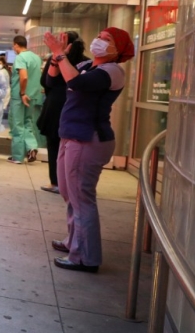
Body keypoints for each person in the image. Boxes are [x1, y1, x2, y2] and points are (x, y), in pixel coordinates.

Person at [44, 27, 134, 273]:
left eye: (108, 40)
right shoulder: (86, 65)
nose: (100, 42)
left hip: (88, 139)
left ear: (119, 50)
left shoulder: (112, 71)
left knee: (81, 197)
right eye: (100, 37)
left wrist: (58, 53)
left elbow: (77, 83)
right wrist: (56, 56)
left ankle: (85, 256)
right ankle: (74, 241)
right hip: (71, 136)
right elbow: (52, 80)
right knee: (68, 193)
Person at [36, 32, 87, 194]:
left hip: (56, 106)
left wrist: (57, 57)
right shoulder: (86, 61)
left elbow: (46, 82)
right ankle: (71, 183)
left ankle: (56, 182)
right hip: (76, 107)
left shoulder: (57, 59)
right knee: (74, 149)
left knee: (54, 146)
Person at [8, 36, 43, 164]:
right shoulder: (36, 58)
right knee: (28, 123)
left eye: (13, 46)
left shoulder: (20, 58)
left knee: (17, 125)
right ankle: (32, 147)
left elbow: (23, 77)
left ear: (17, 45)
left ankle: (17, 156)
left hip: (20, 96)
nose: (13, 49)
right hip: (33, 95)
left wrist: (22, 93)